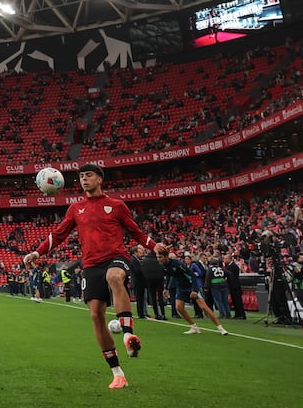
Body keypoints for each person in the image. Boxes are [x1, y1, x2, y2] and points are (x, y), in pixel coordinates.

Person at [23, 163, 158, 390]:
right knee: (96, 315)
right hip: (91, 265)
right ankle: (117, 373)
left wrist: (154, 246)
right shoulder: (76, 208)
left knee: (115, 278)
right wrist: (37, 252)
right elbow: (58, 235)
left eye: (89, 175)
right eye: (82, 176)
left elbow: (136, 231)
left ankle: (128, 336)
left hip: (116, 257)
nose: (84, 179)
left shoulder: (116, 206)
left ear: (99, 179)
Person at [156, 245, 229, 335]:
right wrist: (166, 288)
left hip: (190, 285)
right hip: (181, 287)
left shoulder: (178, 264)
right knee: (179, 307)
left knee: (203, 307)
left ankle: (220, 328)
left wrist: (194, 289)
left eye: (160, 257)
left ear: (166, 256)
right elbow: (169, 276)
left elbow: (192, 275)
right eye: (157, 257)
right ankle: (194, 327)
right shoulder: (163, 266)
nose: (158, 259)